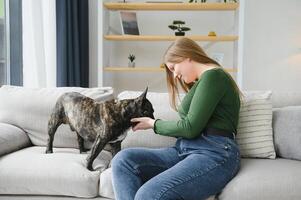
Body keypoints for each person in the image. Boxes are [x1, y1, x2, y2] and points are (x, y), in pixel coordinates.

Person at [111, 37, 242, 200]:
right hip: (184, 149)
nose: (174, 76)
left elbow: (189, 128)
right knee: (122, 161)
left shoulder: (214, 77)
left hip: (214, 153)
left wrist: (153, 124)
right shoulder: (202, 82)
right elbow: (190, 129)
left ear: (186, 56)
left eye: (173, 68)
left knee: (148, 194)